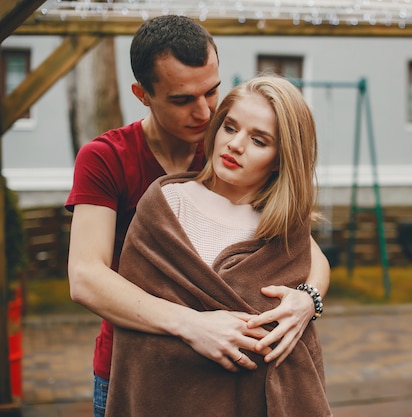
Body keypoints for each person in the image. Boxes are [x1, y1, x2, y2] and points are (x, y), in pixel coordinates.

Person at [65, 16, 330, 417]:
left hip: (225, 381)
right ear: (143, 94)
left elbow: (307, 252)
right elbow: (86, 278)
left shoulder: (227, 150)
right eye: (182, 99)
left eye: (212, 91)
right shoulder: (108, 158)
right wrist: (192, 324)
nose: (204, 111)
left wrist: (308, 301)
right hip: (139, 361)